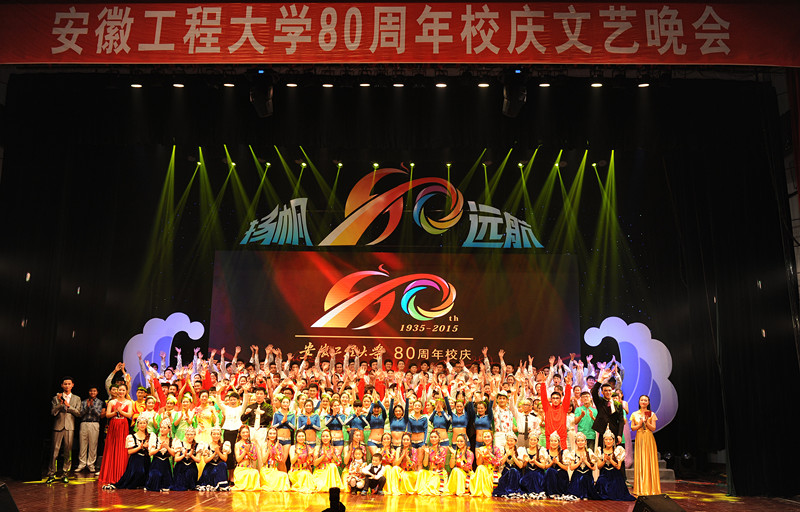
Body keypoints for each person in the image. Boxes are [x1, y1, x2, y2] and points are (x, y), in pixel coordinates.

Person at [46, 376, 81, 484]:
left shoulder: (76, 398)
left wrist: (68, 406)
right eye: (65, 384)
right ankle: (51, 473)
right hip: (58, 426)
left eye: (69, 384)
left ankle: (65, 473)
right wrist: (60, 404)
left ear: (72, 385)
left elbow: (78, 413)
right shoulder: (56, 398)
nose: (67, 386)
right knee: (54, 452)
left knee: (68, 451)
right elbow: (53, 412)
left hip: (70, 427)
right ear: (62, 385)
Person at [98, 381, 134, 485]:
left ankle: (121, 474)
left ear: (126, 391)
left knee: (122, 448)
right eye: (119, 390)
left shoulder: (129, 402)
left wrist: (121, 412)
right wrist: (115, 412)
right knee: (112, 448)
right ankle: (109, 474)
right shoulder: (112, 402)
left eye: (123, 390)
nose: (121, 392)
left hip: (123, 425)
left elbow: (129, 415)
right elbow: (107, 415)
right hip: (113, 425)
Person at [101, 417, 151, 490]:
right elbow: (129, 451)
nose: (142, 425)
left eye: (144, 423)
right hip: (136, 458)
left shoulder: (150, 436)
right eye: (140, 423)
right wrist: (139, 448)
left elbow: (152, 451)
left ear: (146, 425)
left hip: (146, 459)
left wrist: (147, 448)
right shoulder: (132, 436)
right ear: (137, 425)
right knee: (139, 472)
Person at [631, 395, 661, 496]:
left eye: (645, 400)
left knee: (649, 460)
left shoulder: (651, 414)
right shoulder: (635, 414)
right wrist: (640, 424)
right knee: (640, 460)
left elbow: (653, 428)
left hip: (648, 438)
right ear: (639, 402)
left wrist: (647, 422)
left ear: (648, 402)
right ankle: (640, 488)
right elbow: (633, 428)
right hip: (639, 437)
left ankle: (651, 488)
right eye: (642, 400)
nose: (643, 402)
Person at [595, 427, 635, 501]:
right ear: (604, 440)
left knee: (615, 485)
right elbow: (599, 467)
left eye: (610, 439)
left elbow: (618, 467)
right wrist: (604, 461)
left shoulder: (617, 451)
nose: (608, 441)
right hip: (605, 474)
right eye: (606, 439)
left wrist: (611, 460)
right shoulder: (600, 451)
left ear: (613, 441)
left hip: (615, 474)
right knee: (601, 482)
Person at [592, 369, 625, 446]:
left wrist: (619, 434)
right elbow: (594, 392)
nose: (608, 392)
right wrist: (602, 379)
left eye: (609, 390)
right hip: (602, 431)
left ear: (612, 391)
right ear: (602, 392)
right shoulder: (600, 402)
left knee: (615, 451)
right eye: (605, 391)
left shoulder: (618, 404)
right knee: (602, 451)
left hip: (614, 432)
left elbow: (621, 420)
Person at [76, 386, 103, 473]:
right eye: (91, 391)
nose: (92, 392)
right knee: (82, 444)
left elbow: (99, 414)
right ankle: (82, 464)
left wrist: (92, 407)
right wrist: (87, 407)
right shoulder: (84, 402)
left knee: (93, 445)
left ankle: (91, 464)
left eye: (94, 391)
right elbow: (80, 414)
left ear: (97, 392)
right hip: (84, 423)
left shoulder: (99, 402)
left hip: (94, 423)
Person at [197, 426, 231, 491]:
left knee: (223, 464)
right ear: (211, 435)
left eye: (218, 434)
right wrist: (214, 453)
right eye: (214, 434)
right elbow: (206, 460)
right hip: (210, 467)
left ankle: (221, 484)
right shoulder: (207, 446)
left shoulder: (224, 445)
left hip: (219, 468)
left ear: (220, 435)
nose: (216, 436)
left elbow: (225, 459)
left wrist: (218, 452)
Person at [566, 432, 599, 500]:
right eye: (578, 441)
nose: (580, 442)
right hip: (577, 476)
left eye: (582, 441)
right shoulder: (573, 452)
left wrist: (585, 461)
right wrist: (580, 462)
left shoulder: (589, 452)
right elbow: (571, 468)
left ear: (585, 442)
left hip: (587, 476)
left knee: (584, 479)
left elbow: (594, 468)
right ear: (576, 443)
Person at [145, 419, 175, 492]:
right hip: (156, 463)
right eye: (161, 427)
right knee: (156, 477)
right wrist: (159, 448)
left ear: (169, 429)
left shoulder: (171, 440)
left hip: (166, 465)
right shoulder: (155, 439)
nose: (162, 429)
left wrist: (167, 447)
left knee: (166, 483)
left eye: (164, 428)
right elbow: (150, 453)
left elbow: (173, 454)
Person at [492, 433, 525, 497]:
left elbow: (520, 466)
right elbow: (501, 463)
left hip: (516, 473)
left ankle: (512, 491)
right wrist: (506, 454)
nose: (509, 443)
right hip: (506, 473)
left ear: (515, 442)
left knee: (513, 471)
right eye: (508, 441)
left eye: (511, 441)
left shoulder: (519, 450)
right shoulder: (503, 450)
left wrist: (513, 456)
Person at [417, 430, 448, 495]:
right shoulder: (428, 449)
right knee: (421, 472)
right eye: (431, 437)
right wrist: (426, 454)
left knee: (432, 485)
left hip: (439, 472)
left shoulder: (442, 449)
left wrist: (437, 458)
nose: (433, 439)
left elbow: (442, 464)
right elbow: (425, 464)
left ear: (439, 438)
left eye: (435, 437)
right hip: (430, 472)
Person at [471, 430, 502, 497]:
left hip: (493, 471)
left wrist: (490, 455)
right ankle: (479, 492)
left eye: (488, 437)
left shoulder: (496, 449)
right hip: (484, 470)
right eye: (485, 437)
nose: (486, 439)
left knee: (483, 471)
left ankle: (486, 492)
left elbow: (498, 463)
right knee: (480, 468)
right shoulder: (481, 449)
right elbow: (478, 464)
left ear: (492, 438)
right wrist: (481, 456)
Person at [171, 427, 201, 491]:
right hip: (180, 468)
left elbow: (198, 460)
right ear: (185, 435)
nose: (189, 436)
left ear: (194, 435)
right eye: (187, 434)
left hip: (191, 468)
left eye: (191, 434)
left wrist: (191, 456)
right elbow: (176, 459)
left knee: (190, 474)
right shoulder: (180, 444)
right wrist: (183, 455)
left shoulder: (197, 445)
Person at [519, 432, 547, 499]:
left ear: (537, 441)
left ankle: (536, 492)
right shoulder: (525, 450)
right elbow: (523, 466)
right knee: (527, 477)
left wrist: (535, 462)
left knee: (534, 475)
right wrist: (526, 461)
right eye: (531, 440)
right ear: (529, 440)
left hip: (538, 473)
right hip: (528, 473)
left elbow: (543, 466)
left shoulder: (541, 451)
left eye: (534, 440)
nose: (533, 442)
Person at [232, 425, 261, 490]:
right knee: (247, 474)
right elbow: (238, 459)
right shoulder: (237, 444)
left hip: (249, 468)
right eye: (243, 432)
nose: (245, 434)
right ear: (240, 434)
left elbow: (254, 458)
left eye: (247, 432)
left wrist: (249, 452)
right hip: (240, 469)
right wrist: (245, 451)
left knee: (255, 472)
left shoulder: (252, 444)